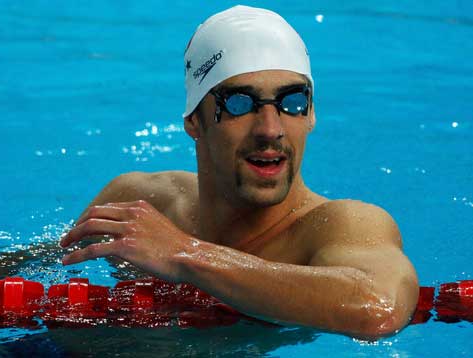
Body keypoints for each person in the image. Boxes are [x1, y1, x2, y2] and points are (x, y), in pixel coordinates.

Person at [59, 5, 418, 339]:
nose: (270, 129)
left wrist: (187, 254)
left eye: (292, 103)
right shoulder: (140, 202)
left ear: (310, 116)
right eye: (240, 103)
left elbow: (377, 309)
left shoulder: (343, 226)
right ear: (194, 120)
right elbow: (39, 266)